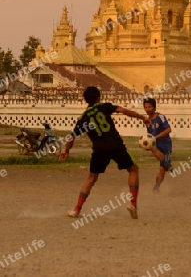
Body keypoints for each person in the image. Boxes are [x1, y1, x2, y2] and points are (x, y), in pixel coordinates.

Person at [59, 86, 149, 219]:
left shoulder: (83, 118)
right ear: (98, 98)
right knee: (133, 169)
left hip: (99, 149)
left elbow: (71, 137)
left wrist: (66, 151)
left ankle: (76, 209)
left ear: (86, 100)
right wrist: (142, 117)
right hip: (115, 144)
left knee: (91, 179)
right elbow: (123, 110)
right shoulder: (105, 106)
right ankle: (133, 205)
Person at [143, 98, 173, 193]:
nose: (147, 109)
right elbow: (149, 135)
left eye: (150, 107)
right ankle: (167, 165)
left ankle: (156, 187)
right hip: (155, 144)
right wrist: (147, 143)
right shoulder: (146, 121)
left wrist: (155, 137)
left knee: (162, 170)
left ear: (154, 107)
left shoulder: (160, 117)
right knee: (154, 149)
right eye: (145, 107)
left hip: (166, 144)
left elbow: (168, 130)